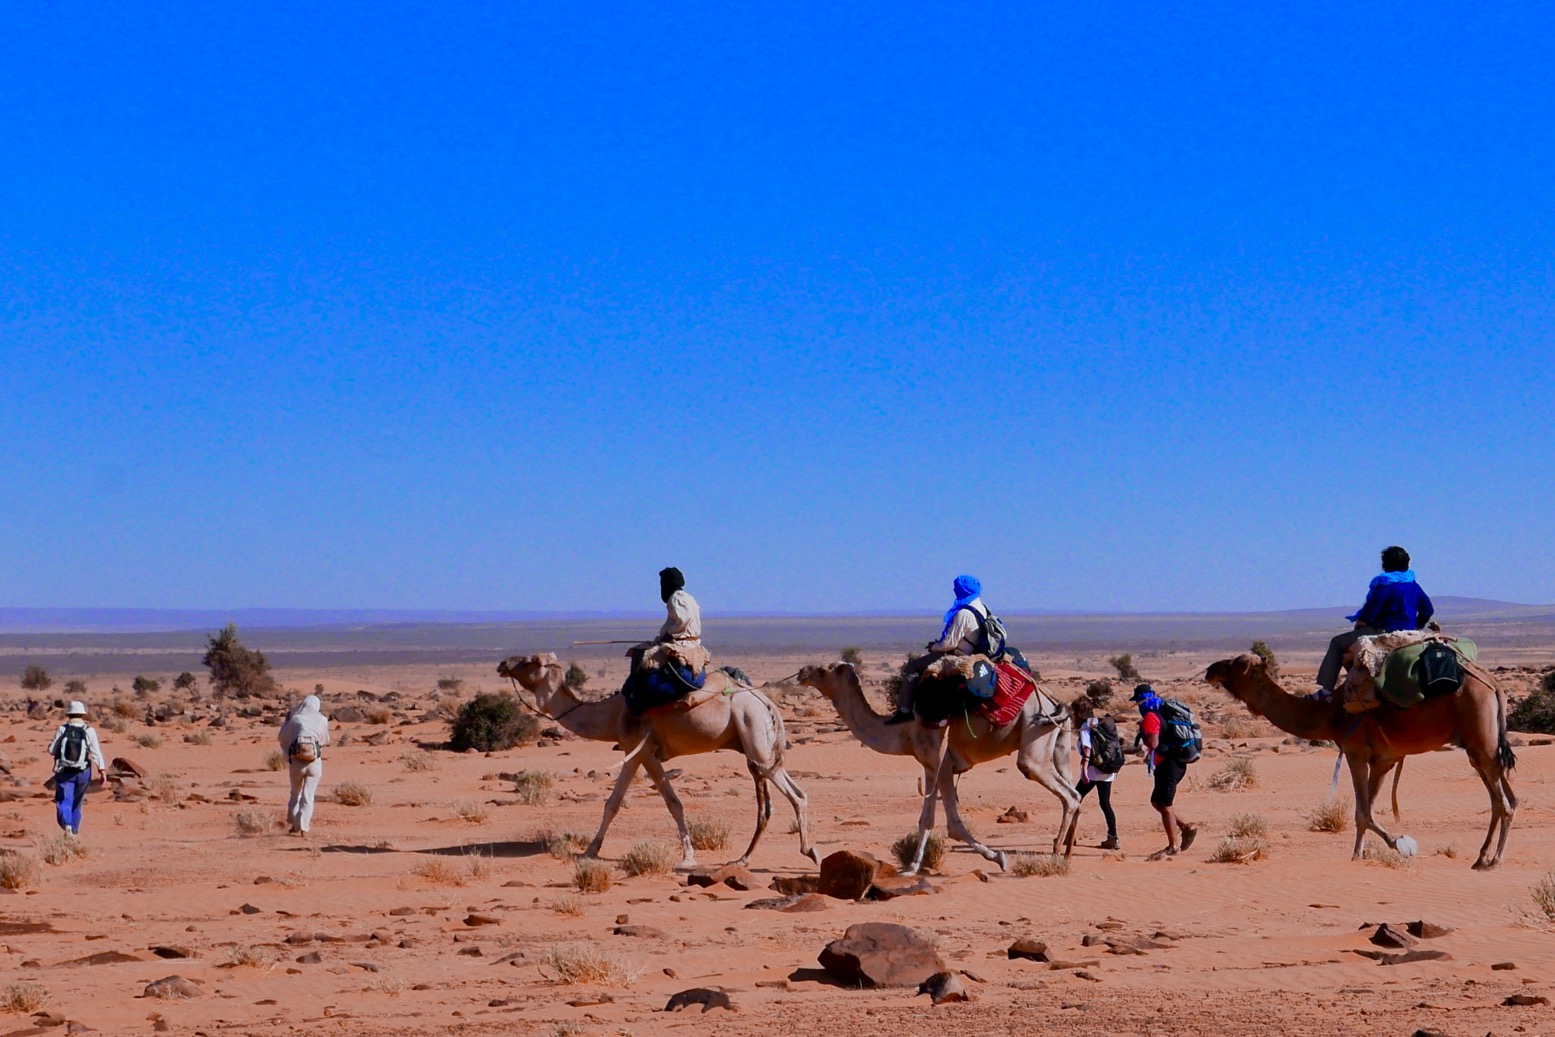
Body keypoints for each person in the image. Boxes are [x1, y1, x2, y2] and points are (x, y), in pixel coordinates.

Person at [1313, 546, 1435, 700]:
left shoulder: (1384, 584)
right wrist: (1417, 625)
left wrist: (1362, 621)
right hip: (1410, 632)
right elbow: (1428, 609)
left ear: (1385, 563)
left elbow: (1372, 609)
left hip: (1383, 631)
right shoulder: (1412, 584)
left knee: (1337, 643)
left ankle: (1326, 692)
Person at [886, 574, 992, 725]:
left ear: (963, 589)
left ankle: (905, 711)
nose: (954, 591)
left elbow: (949, 643)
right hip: (974, 652)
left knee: (912, 667)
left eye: (956, 588)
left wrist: (934, 646)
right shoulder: (982, 608)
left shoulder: (964, 613)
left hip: (959, 655)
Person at [1133, 684, 1198, 859]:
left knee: (1165, 805)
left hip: (1170, 764)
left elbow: (1152, 743)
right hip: (1171, 763)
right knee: (1156, 801)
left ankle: (1173, 847)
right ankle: (1186, 827)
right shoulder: (1162, 710)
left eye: (1138, 701)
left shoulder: (1151, 716)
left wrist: (1143, 731)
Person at [47, 701, 106, 836]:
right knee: (77, 802)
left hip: (64, 771)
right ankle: (73, 831)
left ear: (69, 714)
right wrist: (102, 771)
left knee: (64, 800)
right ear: (82, 715)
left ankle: (67, 824)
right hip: (83, 772)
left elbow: (52, 750)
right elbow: (96, 753)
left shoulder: (62, 729)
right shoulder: (89, 731)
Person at [278, 695, 330, 836]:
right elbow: (325, 740)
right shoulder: (322, 720)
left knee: (295, 793)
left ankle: (294, 824)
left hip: (296, 762)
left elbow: (282, 737)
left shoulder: (296, 719)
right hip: (314, 762)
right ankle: (303, 827)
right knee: (309, 795)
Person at [1072, 697, 1120, 849]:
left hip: (1093, 771)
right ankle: (1113, 838)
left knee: (1073, 799)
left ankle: (1069, 836)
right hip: (1108, 770)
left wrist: (1084, 770)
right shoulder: (1100, 722)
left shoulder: (1086, 725)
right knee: (1105, 803)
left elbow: (1087, 748)